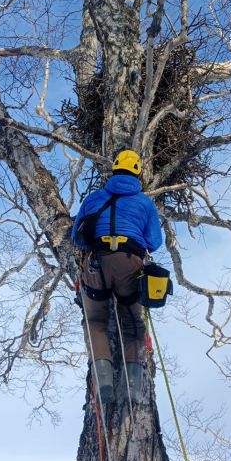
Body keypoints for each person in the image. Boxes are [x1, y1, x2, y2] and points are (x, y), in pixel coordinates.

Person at [72, 150, 162, 403]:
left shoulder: (94, 198)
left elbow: (76, 237)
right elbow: (154, 242)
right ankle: (133, 388)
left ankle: (104, 383)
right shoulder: (144, 202)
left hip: (95, 262)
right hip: (129, 262)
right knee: (133, 325)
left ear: (113, 170)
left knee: (95, 321)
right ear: (137, 173)